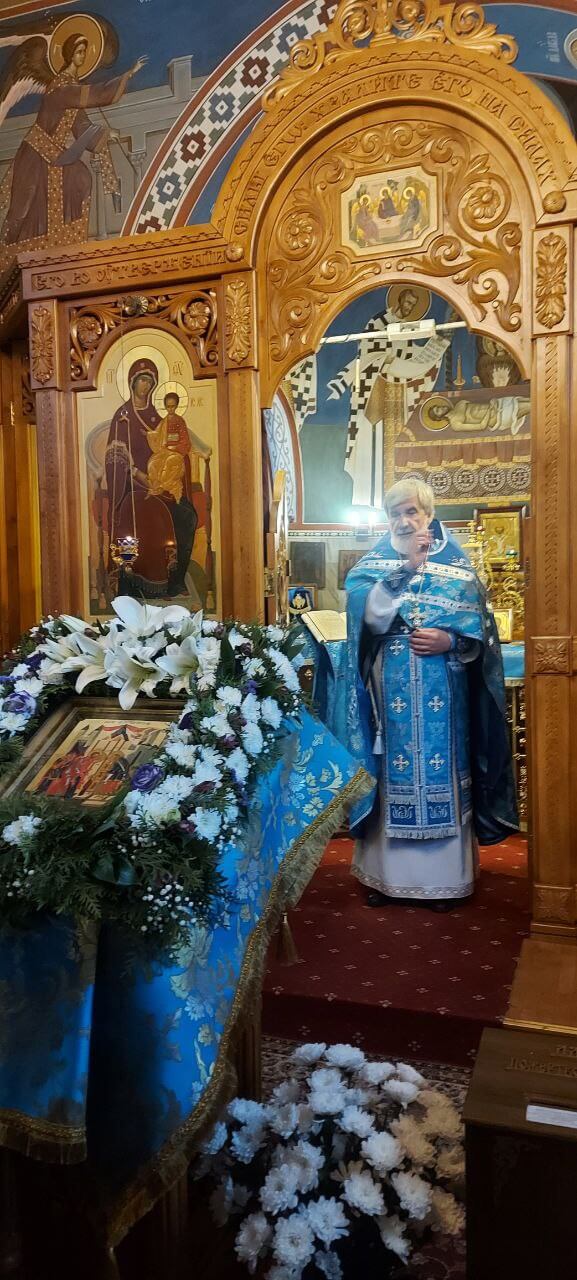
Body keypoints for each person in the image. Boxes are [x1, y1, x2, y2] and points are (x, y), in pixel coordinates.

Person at [340, 478, 518, 909]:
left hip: (444, 687)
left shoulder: (456, 565)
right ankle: (385, 879)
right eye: (395, 513)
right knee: (391, 769)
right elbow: (366, 621)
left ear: (429, 515)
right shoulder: (374, 563)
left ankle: (444, 882)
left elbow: (482, 635)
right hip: (390, 688)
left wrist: (450, 641)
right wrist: (405, 567)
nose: (404, 521)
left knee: (443, 768)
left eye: (412, 512)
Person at [0, 35, 146, 258]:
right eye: (79, 52)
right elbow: (93, 95)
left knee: (81, 177)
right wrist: (128, 75)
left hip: (55, 154)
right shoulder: (61, 87)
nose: (82, 56)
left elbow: (81, 126)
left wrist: (106, 133)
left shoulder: (73, 89)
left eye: (85, 52)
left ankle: (64, 243)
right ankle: (9, 255)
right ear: (69, 55)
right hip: (37, 151)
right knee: (22, 209)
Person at [104, 359, 198, 599]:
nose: (145, 386)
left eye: (149, 381)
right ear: (132, 382)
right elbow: (115, 459)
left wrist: (171, 471)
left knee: (187, 515)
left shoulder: (158, 419)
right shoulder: (122, 417)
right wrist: (138, 474)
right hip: (131, 488)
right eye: (142, 380)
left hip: (160, 485)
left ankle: (174, 581)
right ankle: (133, 583)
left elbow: (172, 450)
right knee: (146, 515)